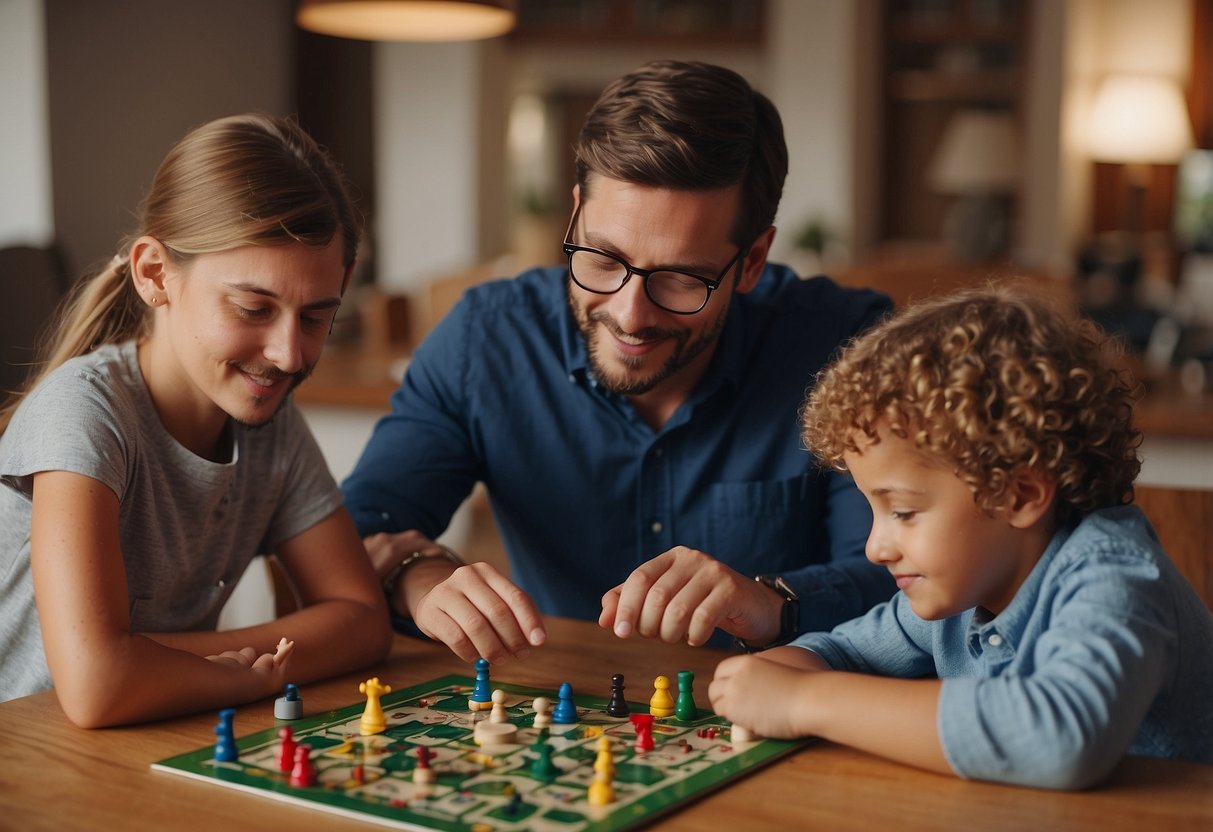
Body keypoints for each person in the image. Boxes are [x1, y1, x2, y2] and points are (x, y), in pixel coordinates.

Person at [341, 60, 895, 662]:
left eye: (682, 278)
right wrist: (420, 578)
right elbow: (356, 530)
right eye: (603, 259)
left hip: (776, 716)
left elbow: (910, 583)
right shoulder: (486, 339)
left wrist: (772, 603)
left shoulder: (847, 344)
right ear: (576, 212)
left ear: (753, 260)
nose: (630, 315)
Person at [707, 286, 1213, 789]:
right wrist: (774, 675)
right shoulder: (964, 589)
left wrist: (803, 702)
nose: (875, 547)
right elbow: (844, 653)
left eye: (903, 511)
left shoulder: (1115, 578)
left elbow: (1059, 735)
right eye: (874, 510)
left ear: (1018, 495)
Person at [0, 114, 392, 726]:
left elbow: (363, 621)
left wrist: (156, 660)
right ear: (156, 275)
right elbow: (97, 687)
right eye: (252, 308)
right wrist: (219, 668)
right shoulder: (82, 414)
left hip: (159, 740)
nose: (290, 355)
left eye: (316, 317)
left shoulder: (271, 425)